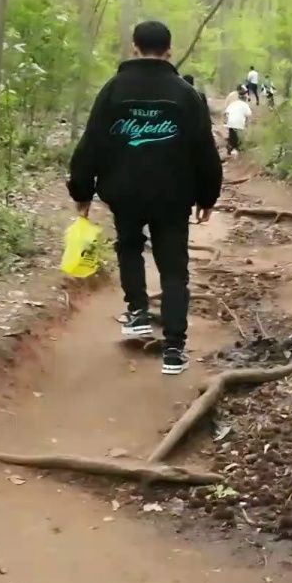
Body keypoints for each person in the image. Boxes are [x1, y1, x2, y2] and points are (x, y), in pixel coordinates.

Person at [68, 19, 222, 374]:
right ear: (169, 50)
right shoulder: (185, 94)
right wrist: (207, 195)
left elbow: (90, 142)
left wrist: (82, 189)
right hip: (173, 195)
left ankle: (137, 311)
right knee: (173, 269)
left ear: (134, 47)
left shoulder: (113, 90)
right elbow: (204, 150)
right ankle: (174, 349)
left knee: (129, 244)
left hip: (124, 192)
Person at [224, 89, 252, 157]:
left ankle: (230, 147)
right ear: (244, 97)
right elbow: (248, 115)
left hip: (230, 123)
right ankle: (238, 149)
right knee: (239, 138)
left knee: (232, 136)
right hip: (239, 124)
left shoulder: (232, 104)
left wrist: (226, 123)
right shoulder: (245, 105)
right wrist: (246, 124)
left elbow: (226, 113)